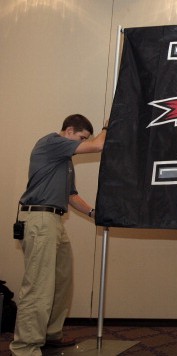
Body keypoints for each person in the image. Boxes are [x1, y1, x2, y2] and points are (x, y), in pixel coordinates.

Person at [10, 114, 108, 356]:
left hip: (54, 220)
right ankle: (24, 347)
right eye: (81, 138)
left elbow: (71, 197)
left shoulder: (64, 161)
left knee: (62, 281)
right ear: (69, 130)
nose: (83, 143)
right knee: (38, 285)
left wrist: (97, 214)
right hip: (40, 219)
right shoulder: (51, 142)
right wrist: (108, 125)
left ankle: (50, 334)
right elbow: (98, 145)